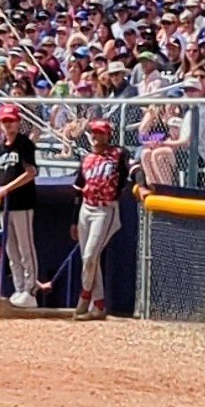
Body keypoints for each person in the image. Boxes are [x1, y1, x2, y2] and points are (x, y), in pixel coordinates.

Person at [0, 104, 41, 307]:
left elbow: (30, 172)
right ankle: (18, 288)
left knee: (26, 248)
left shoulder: (24, 144)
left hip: (22, 202)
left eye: (11, 121)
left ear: (18, 122)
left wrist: (6, 188)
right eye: (4, 121)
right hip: (4, 205)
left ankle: (30, 289)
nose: (8, 125)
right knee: (11, 250)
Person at [74, 119, 124, 319]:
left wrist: (142, 184)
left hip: (106, 209)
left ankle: (85, 296)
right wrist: (72, 220)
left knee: (89, 256)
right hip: (85, 209)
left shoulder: (117, 154)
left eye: (100, 133)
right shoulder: (87, 159)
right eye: (93, 133)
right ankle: (99, 305)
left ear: (108, 135)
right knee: (90, 259)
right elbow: (78, 189)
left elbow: (134, 168)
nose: (96, 137)